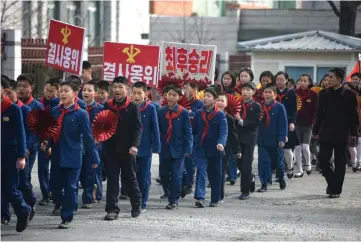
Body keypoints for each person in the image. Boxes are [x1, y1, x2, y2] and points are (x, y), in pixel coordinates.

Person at [43, 81, 99, 229]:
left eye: (65, 91)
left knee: (71, 186)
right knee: (55, 186)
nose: (62, 94)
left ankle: (66, 216)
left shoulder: (81, 113)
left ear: (74, 94)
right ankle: (68, 203)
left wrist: (94, 157)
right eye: (60, 91)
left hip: (74, 155)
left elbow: (88, 137)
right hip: (57, 154)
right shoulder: (55, 111)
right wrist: (46, 143)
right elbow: (50, 131)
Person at [313, 68, 359, 198]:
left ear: (339, 79)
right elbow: (319, 113)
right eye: (328, 77)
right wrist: (316, 129)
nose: (328, 79)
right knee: (322, 161)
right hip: (326, 131)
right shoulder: (323, 94)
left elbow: (353, 115)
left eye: (331, 77)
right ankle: (333, 183)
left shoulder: (350, 94)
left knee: (340, 163)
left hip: (342, 132)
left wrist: (354, 132)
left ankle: (336, 190)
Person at [102, 76, 142, 219]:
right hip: (111, 148)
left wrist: (134, 145)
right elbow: (103, 123)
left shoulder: (133, 106)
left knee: (129, 177)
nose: (117, 90)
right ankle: (112, 210)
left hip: (127, 149)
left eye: (120, 87)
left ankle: (136, 204)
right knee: (112, 178)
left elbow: (138, 128)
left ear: (127, 88)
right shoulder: (108, 105)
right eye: (115, 87)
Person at [2, 79, 36, 223]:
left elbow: (22, 133)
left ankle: (24, 209)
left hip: (9, 154)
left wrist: (22, 156)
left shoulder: (14, 109)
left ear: (5, 91)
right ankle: (4, 216)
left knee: (11, 188)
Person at [158, 84, 192, 209]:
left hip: (179, 148)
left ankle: (173, 200)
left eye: (174, 95)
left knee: (176, 174)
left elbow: (188, 131)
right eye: (169, 95)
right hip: (165, 148)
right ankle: (169, 191)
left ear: (179, 97)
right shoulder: (161, 111)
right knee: (164, 174)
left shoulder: (183, 112)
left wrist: (189, 148)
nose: (171, 97)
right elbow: (158, 131)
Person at [192, 88, 227, 208]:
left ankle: (214, 199)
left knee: (215, 175)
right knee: (201, 171)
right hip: (201, 147)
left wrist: (221, 143)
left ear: (215, 100)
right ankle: (200, 198)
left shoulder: (220, 114)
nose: (205, 98)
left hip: (216, 149)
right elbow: (194, 130)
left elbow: (223, 132)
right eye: (204, 96)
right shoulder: (198, 113)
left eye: (208, 96)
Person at [131, 81, 161, 211]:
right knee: (132, 177)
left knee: (143, 177)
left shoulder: (151, 108)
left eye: (139, 93)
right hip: (130, 147)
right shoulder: (129, 106)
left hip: (145, 147)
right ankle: (135, 200)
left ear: (146, 93)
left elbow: (155, 128)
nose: (136, 96)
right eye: (134, 93)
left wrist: (157, 147)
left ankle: (142, 201)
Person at [257, 83, 288, 192]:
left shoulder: (279, 107)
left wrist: (282, 138)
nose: (267, 94)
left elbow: (283, 124)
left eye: (270, 92)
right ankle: (264, 183)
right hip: (262, 140)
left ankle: (281, 179)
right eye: (265, 92)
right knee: (263, 162)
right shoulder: (259, 106)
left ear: (274, 94)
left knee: (278, 163)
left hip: (276, 140)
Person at [17, 74, 43, 200]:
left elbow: (36, 130)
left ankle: (29, 201)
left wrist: (27, 147)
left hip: (29, 148)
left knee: (25, 176)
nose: (21, 89)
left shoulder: (36, 106)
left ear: (31, 88)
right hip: (15, 145)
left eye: (25, 86)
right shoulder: (13, 104)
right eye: (19, 86)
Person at [234, 81, 261, 199]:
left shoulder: (256, 106)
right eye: (243, 89)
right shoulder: (237, 104)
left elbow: (255, 123)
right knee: (238, 163)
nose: (245, 92)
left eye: (248, 90)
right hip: (237, 137)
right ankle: (250, 177)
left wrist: (241, 121)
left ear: (253, 92)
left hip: (249, 138)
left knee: (246, 164)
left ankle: (245, 191)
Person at [81, 80, 104, 208]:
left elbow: (106, 126)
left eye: (89, 90)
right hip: (80, 144)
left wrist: (99, 138)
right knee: (82, 172)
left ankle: (89, 197)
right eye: (84, 90)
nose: (86, 92)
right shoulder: (77, 107)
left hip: (95, 145)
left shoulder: (100, 109)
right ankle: (91, 189)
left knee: (93, 171)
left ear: (95, 93)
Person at [38, 78, 60, 205]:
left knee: (56, 169)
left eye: (52, 91)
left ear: (57, 92)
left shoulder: (59, 106)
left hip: (56, 140)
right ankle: (45, 194)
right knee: (42, 168)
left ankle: (54, 191)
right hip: (42, 140)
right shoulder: (39, 104)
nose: (49, 93)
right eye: (47, 90)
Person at [216, 93, 242, 202]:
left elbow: (233, 135)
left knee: (221, 172)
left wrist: (237, 150)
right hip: (210, 147)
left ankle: (219, 195)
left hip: (225, 149)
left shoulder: (229, 118)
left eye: (222, 100)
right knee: (212, 172)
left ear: (226, 104)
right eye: (218, 100)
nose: (220, 102)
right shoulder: (209, 115)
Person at [181, 82, 204, 197]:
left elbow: (201, 119)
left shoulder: (199, 103)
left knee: (190, 161)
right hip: (180, 135)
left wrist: (191, 113)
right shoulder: (179, 101)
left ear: (195, 89)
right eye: (183, 88)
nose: (184, 90)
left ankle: (188, 184)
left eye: (187, 88)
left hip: (193, 136)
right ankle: (182, 183)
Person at [294, 74, 318, 178]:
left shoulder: (314, 94)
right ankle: (299, 169)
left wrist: (313, 122)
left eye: (305, 81)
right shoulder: (294, 93)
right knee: (297, 147)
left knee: (305, 146)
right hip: (296, 123)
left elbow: (316, 110)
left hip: (308, 124)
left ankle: (308, 164)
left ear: (309, 83)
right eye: (301, 81)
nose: (302, 83)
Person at [275, 71, 297, 182]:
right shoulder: (273, 92)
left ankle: (289, 167)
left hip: (287, 123)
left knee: (287, 148)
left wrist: (293, 122)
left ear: (286, 80)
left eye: (281, 79)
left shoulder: (291, 93)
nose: (279, 81)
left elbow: (294, 110)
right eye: (277, 79)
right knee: (277, 148)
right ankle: (279, 172)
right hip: (275, 123)